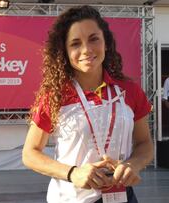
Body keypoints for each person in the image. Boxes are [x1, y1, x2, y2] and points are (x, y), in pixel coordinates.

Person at [22, 5, 153, 203]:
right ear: (65, 51)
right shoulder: (55, 95)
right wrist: (73, 173)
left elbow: (144, 144)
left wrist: (133, 165)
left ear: (106, 43)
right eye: (75, 43)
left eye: (94, 39)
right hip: (71, 198)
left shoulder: (129, 90)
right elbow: (30, 153)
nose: (86, 49)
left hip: (122, 196)